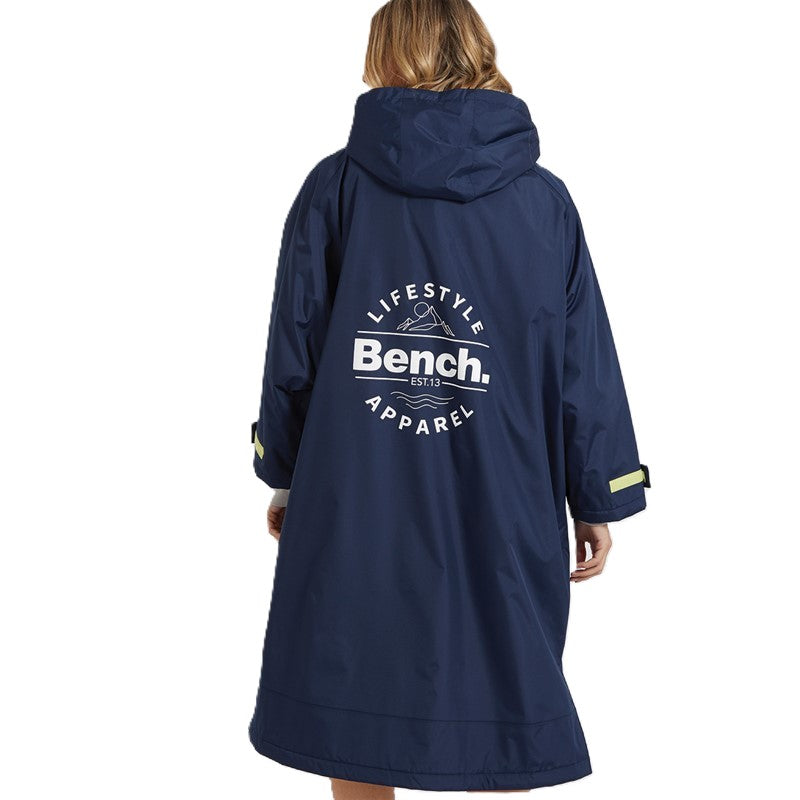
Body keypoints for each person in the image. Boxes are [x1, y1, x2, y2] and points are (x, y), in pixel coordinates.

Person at [248, 1, 650, 797]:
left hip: (357, 492)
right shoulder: (543, 203)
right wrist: (597, 493)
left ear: (385, 52)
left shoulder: (336, 188)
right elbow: (584, 362)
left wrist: (285, 474)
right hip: (505, 491)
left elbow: (295, 347)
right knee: (502, 678)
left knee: (354, 684)